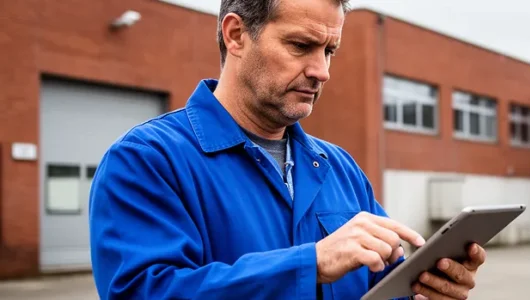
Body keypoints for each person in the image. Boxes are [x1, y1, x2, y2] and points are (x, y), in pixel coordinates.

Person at [87, 0, 487, 299]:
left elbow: (383, 285)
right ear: (236, 35)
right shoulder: (147, 160)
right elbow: (141, 292)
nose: (322, 71)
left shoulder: (341, 168)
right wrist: (308, 264)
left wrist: (426, 289)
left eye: (329, 51)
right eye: (300, 46)